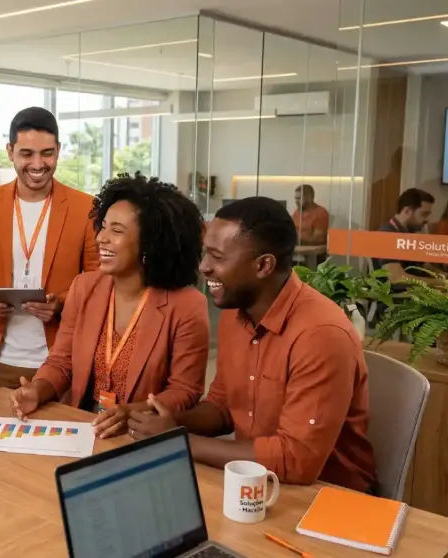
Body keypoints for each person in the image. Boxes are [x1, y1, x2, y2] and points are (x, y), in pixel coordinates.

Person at [127, 197, 377, 493]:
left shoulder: (321, 334)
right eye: (206, 253)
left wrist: (176, 440)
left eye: (218, 257)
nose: (204, 267)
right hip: (255, 484)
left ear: (263, 266)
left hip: (328, 498)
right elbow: (223, 406)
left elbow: (296, 460)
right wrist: (161, 422)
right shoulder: (237, 314)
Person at [9, 174, 209, 439]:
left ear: (150, 242)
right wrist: (38, 389)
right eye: (103, 227)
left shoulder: (187, 306)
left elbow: (185, 391)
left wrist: (132, 413)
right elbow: (61, 361)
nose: (101, 238)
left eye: (116, 230)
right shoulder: (84, 287)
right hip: (81, 428)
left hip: (140, 436)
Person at [0, 107, 99, 393]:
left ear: (58, 150)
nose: (37, 163)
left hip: (59, 362)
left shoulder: (85, 207)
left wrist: (62, 303)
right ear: (10, 152)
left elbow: (99, 281)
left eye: (47, 153)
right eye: (26, 154)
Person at [375, 188, 442, 287]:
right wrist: (442, 283)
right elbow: (396, 278)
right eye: (424, 214)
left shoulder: (408, 233)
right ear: (407, 211)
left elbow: (423, 266)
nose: (428, 219)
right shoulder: (387, 234)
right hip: (397, 297)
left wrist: (447, 277)